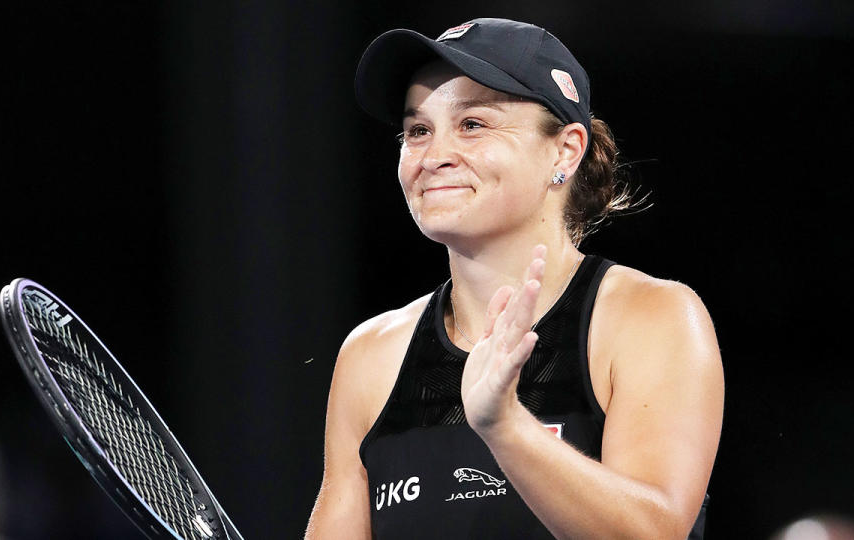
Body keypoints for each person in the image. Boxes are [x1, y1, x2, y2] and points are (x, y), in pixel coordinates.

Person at [306, 17, 723, 539]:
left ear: (565, 150)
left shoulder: (650, 318)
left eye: (473, 124)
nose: (434, 157)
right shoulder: (370, 355)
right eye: (417, 131)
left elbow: (656, 532)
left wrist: (505, 426)